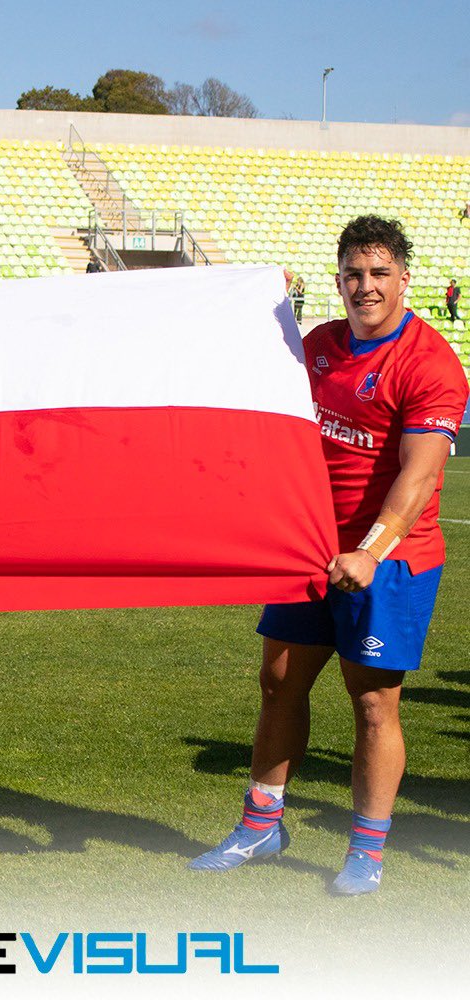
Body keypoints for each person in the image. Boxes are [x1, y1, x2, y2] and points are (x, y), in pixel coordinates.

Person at [187, 217, 469, 896]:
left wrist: (370, 551)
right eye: (352, 273)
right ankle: (261, 826)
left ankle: (366, 852)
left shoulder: (430, 363)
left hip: (390, 559)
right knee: (280, 680)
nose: (364, 286)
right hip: (309, 549)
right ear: (338, 278)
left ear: (405, 279)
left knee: (373, 702)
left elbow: (420, 475)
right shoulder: (316, 346)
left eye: (378, 274)